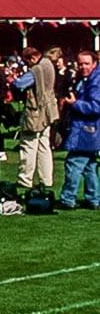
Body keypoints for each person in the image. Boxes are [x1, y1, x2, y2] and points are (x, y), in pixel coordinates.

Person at [12, 45, 58, 196]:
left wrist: (13, 78)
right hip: (49, 110)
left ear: (32, 58)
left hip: (35, 111)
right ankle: (47, 179)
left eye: (27, 62)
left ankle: (25, 178)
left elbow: (19, 84)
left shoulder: (36, 70)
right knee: (45, 146)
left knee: (28, 145)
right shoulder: (48, 64)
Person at [58, 49, 100, 210]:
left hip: (86, 129)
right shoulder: (88, 78)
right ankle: (93, 198)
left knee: (73, 164)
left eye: (87, 64)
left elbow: (96, 107)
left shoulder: (95, 82)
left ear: (94, 63)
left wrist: (74, 103)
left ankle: (68, 198)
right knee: (89, 167)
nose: (83, 67)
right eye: (80, 64)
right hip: (90, 130)